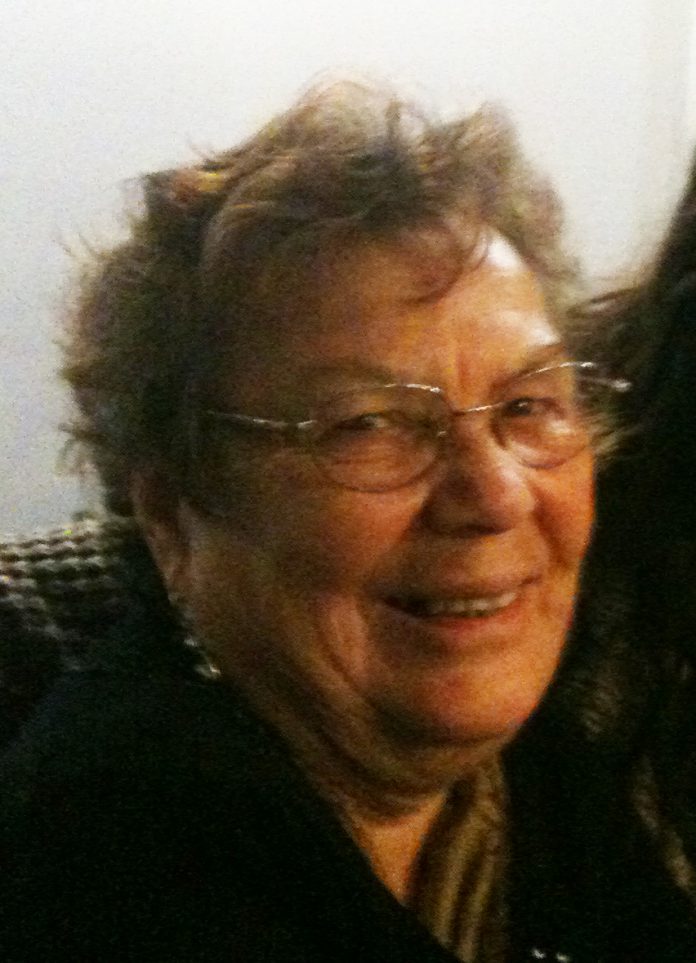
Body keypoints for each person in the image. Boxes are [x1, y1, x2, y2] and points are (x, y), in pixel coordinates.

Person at [0, 81, 682, 962]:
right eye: (370, 425)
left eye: (528, 405)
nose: (496, 494)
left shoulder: (530, 777)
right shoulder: (112, 858)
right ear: (171, 514)